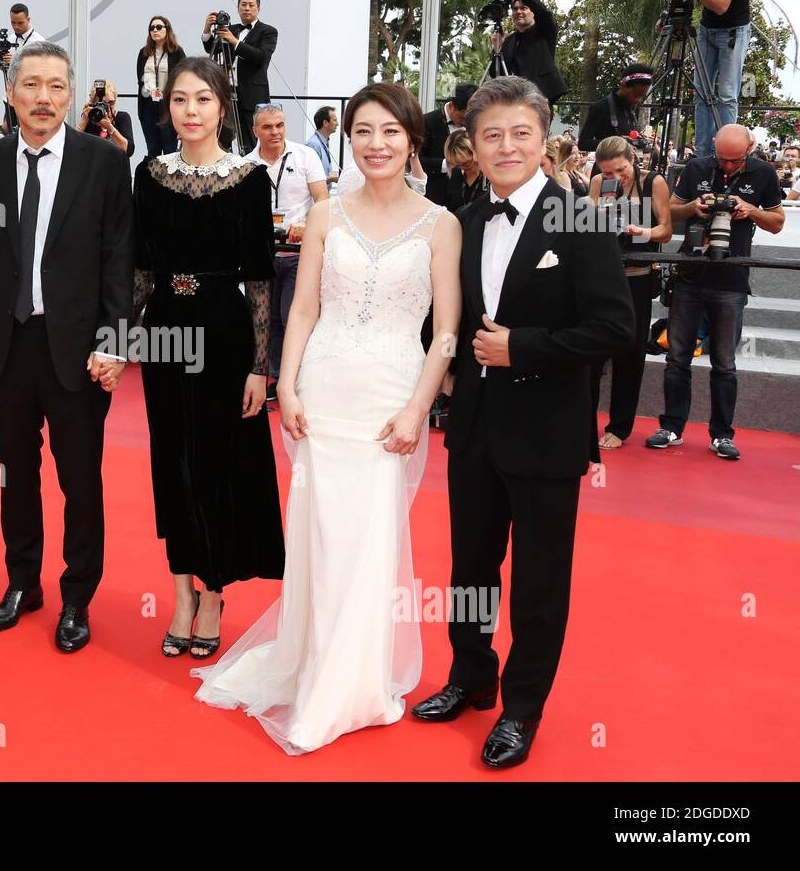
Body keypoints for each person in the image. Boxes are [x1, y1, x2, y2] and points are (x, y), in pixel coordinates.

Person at [193, 81, 460, 755]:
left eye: (390, 132)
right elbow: (303, 309)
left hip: (389, 400)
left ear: (412, 141)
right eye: (363, 131)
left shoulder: (441, 224)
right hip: (326, 392)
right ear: (348, 138)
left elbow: (447, 333)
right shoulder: (325, 217)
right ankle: (312, 664)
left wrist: (419, 407)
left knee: (368, 542)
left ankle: (350, 687)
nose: (376, 144)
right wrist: (291, 386)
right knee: (319, 535)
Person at [411, 76, 632, 768]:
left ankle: (522, 708)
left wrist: (523, 348)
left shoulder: (583, 219)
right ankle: (469, 677)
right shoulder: (465, 222)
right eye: (492, 135)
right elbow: (441, 321)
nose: (506, 146)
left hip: (546, 430)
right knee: (471, 569)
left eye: (520, 134)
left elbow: (616, 328)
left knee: (540, 583)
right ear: (472, 146)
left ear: (544, 140)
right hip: (473, 427)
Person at [0, 40, 133, 654]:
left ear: (70, 94)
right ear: (11, 93)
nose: (43, 98)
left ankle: (77, 595)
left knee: (80, 479)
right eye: (31, 85)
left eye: (56, 86)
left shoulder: (103, 164)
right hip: (6, 346)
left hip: (78, 351)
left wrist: (114, 341)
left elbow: (117, 262)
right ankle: (22, 582)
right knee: (15, 474)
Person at [131, 56, 283, 660]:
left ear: (224, 106)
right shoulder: (150, 175)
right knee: (174, 458)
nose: (189, 112)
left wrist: (258, 366)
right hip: (166, 328)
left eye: (201, 100)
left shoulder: (248, 180)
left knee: (219, 461)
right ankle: (181, 592)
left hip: (224, 332)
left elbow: (260, 280)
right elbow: (141, 270)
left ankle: (215, 592)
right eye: (178, 101)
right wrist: (116, 337)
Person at [647, 123, 784, 460]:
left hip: (732, 277)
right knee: (677, 357)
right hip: (691, 274)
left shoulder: (764, 173)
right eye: (723, 159)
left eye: (735, 161)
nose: (727, 166)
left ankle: (722, 434)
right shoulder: (696, 167)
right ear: (713, 147)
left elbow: (778, 221)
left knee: (725, 362)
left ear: (749, 149)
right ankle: (672, 427)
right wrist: (694, 207)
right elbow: (670, 211)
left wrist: (750, 210)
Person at [586, 135, 672, 451]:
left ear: (632, 160)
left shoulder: (654, 182)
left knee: (630, 353)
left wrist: (643, 231)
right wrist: (593, 215)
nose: (615, 178)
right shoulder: (598, 183)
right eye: (607, 172)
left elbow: (667, 228)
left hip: (637, 276)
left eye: (619, 170)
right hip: (603, 276)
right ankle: (583, 423)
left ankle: (620, 427)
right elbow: (586, 227)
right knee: (591, 353)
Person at [244, 101, 328, 399]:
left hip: (298, 254)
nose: (275, 131)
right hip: (263, 255)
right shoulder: (246, 164)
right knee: (265, 319)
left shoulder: (306, 156)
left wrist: (307, 224)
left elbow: (323, 200)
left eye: (279, 125)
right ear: (255, 130)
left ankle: (292, 379)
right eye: (267, 127)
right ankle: (271, 378)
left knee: (291, 316)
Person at [676, 0, 752, 157]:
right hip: (707, 31)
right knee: (702, 92)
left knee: (727, 94)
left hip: (733, 32)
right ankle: (702, 152)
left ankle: (727, 149)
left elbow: (721, 6)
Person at [201, 0, 278, 153]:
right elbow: (212, 49)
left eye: (251, 5)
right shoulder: (232, 29)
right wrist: (207, 29)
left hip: (252, 93)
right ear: (237, 8)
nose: (247, 8)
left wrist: (235, 42)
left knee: (252, 138)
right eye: (243, 5)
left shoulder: (268, 31)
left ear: (258, 8)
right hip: (227, 92)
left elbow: (261, 58)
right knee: (224, 134)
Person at [497, 0, 566, 112]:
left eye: (524, 8)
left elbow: (544, 13)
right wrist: (497, 47)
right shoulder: (510, 40)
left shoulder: (544, 30)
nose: (519, 12)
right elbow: (498, 73)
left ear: (533, 12)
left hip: (541, 99)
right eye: (515, 9)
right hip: (516, 101)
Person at [418, 82, 477, 206]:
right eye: (462, 118)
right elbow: (417, 160)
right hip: (435, 197)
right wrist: (450, 163)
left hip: (467, 197)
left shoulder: (475, 123)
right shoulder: (426, 122)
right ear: (451, 106)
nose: (466, 123)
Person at [135, 15, 185, 158]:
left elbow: (184, 77)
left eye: (158, 27)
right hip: (148, 105)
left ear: (167, 30)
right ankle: (153, 180)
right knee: (153, 149)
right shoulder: (144, 52)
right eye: (152, 28)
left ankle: (170, 180)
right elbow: (140, 79)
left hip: (168, 105)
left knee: (170, 149)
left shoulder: (176, 52)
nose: (155, 30)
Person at [578, 64, 654, 154]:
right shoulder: (601, 107)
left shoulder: (630, 108)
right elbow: (583, 143)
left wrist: (640, 141)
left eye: (642, 96)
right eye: (635, 94)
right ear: (623, 85)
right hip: (606, 166)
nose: (638, 99)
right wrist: (615, 143)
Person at [0, 3, 47, 134]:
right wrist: (4, 64)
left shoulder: (39, 42)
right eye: (13, 22)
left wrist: (15, 61)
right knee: (8, 131)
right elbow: (6, 69)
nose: (16, 26)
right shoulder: (10, 38)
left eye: (20, 23)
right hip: (11, 95)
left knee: (26, 132)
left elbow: (41, 71)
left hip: (29, 96)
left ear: (28, 20)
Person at [77, 78, 135, 157]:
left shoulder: (122, 118)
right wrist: (83, 121)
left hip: (116, 167)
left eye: (111, 102)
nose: (107, 107)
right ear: (93, 103)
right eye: (103, 103)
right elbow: (73, 147)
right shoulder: (90, 119)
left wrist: (109, 127)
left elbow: (128, 150)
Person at [443, 128, 485, 214]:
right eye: (457, 164)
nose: (462, 167)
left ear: (475, 153)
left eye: (466, 163)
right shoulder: (455, 174)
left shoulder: (490, 177)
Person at [305, 105, 339, 182]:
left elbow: (322, 172)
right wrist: (332, 179)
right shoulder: (314, 145)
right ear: (325, 123)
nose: (337, 123)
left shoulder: (323, 142)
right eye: (334, 120)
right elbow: (310, 179)